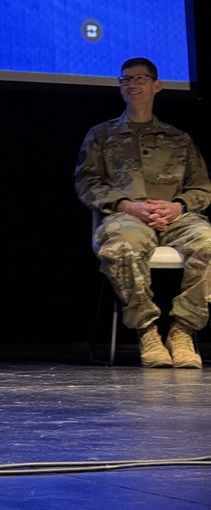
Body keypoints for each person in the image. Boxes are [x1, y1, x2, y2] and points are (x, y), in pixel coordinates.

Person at [74, 57, 211, 368]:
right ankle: (147, 331)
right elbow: (87, 182)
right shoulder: (102, 135)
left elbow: (202, 187)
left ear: (156, 85)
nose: (131, 85)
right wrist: (128, 205)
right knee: (124, 245)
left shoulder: (179, 138)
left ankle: (182, 330)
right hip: (127, 217)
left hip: (176, 218)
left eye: (139, 79)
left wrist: (178, 206)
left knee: (208, 242)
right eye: (125, 79)